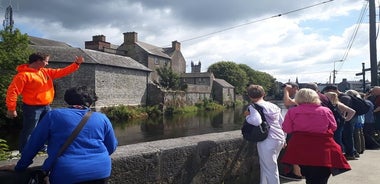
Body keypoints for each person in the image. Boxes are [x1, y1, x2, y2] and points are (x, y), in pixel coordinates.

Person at [0, 86, 118, 184]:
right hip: (101, 171)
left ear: (68, 100)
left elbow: (33, 144)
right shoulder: (102, 118)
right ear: (91, 102)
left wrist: (19, 167)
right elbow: (111, 146)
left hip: (67, 173)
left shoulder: (54, 115)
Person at [5, 52, 84, 152]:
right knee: (29, 130)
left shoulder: (45, 72)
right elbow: (12, 92)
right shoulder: (23, 75)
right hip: (31, 108)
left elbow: (62, 72)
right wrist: (11, 108)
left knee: (46, 128)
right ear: (38, 61)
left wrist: (76, 64)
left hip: (46, 106)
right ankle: (24, 150)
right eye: (46, 61)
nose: (47, 63)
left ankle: (41, 147)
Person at [281, 88, 351, 184]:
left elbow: (287, 129)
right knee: (321, 177)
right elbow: (334, 127)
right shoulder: (325, 111)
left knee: (309, 176)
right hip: (323, 147)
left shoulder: (292, 111)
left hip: (301, 147)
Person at [244, 84, 286, 184]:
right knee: (266, 167)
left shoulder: (253, 106)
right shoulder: (273, 105)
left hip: (267, 140)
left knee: (270, 169)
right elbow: (282, 123)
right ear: (264, 94)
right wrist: (284, 139)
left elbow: (256, 121)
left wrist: (247, 116)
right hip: (279, 138)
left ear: (249, 96)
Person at [322, 85, 358, 160]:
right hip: (339, 123)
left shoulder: (329, 105)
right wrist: (345, 119)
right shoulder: (338, 103)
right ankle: (338, 155)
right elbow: (352, 111)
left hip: (333, 124)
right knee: (337, 139)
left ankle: (338, 155)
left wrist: (346, 119)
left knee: (336, 140)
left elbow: (352, 111)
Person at [279, 82, 303, 181]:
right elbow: (288, 104)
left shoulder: (301, 96)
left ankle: (297, 174)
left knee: (295, 151)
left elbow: (287, 103)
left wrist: (285, 91)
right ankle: (299, 172)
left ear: (296, 88)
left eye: (290, 87)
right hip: (297, 128)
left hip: (297, 130)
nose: (287, 89)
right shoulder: (296, 98)